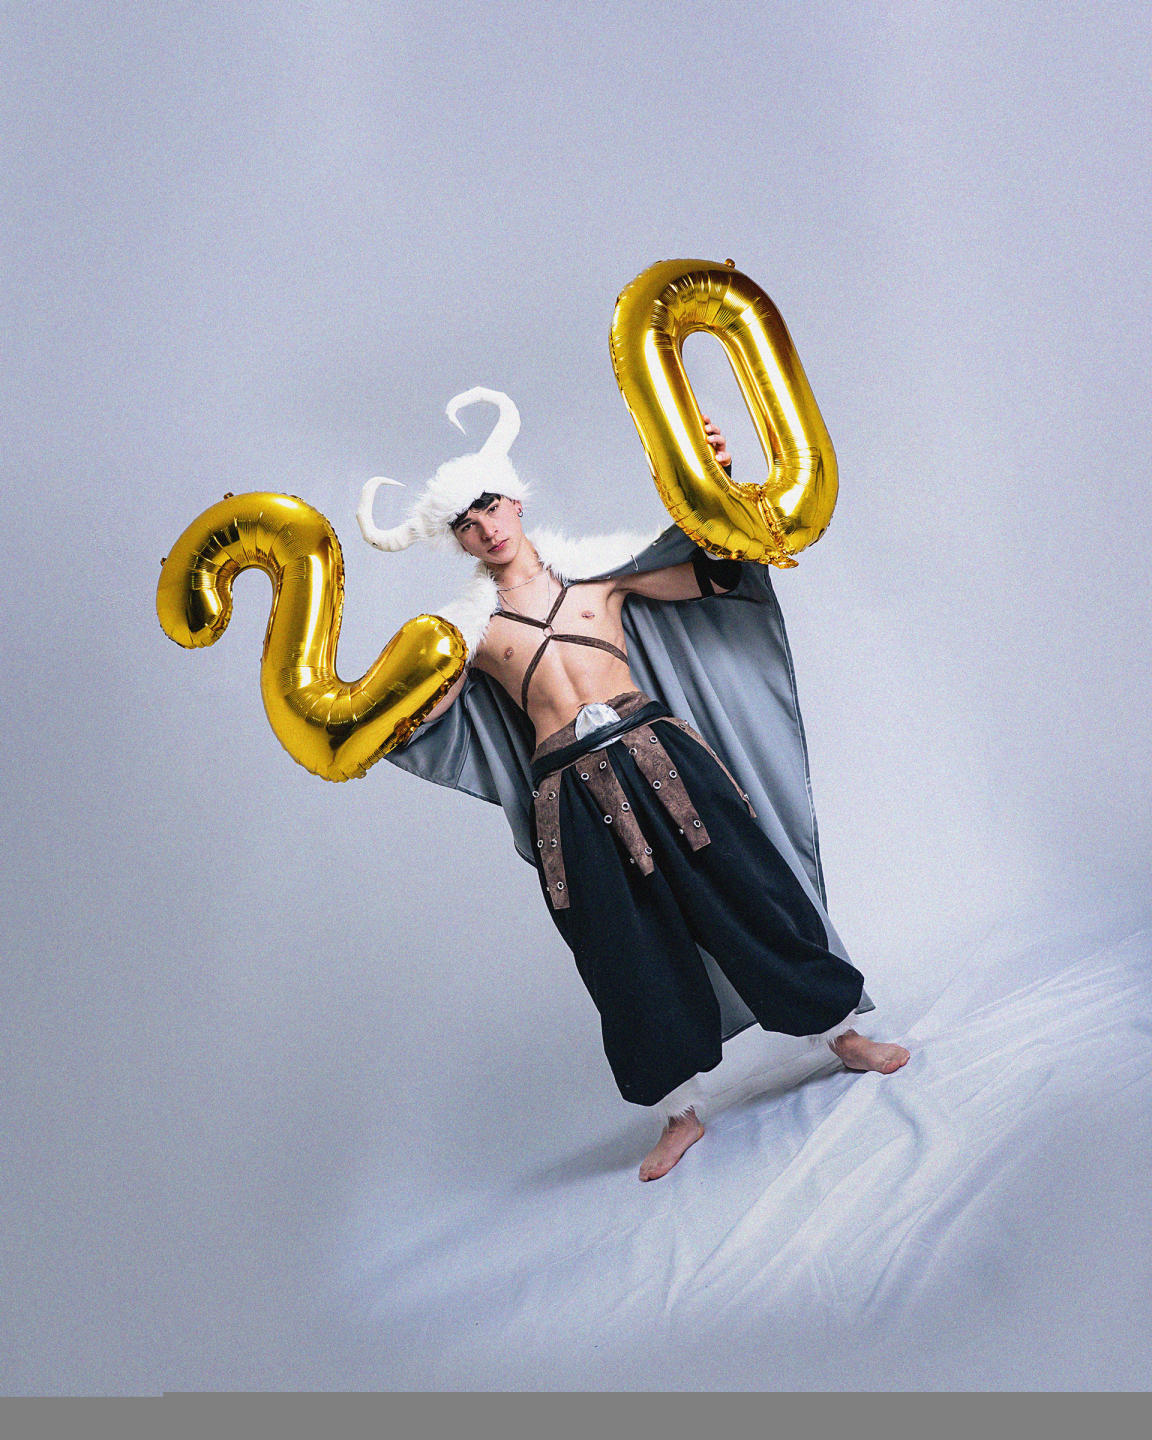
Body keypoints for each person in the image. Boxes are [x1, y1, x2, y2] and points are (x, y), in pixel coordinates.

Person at [359, 388, 908, 1181]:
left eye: (491, 505)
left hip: (658, 757)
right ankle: (678, 1113)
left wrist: (716, 478)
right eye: (466, 521)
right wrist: (366, 710)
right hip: (568, 798)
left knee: (748, 891)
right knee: (623, 950)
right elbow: (413, 719)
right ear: (457, 538)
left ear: (515, 501)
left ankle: (841, 1033)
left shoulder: (599, 576)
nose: (486, 526)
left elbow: (714, 573)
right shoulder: (468, 634)